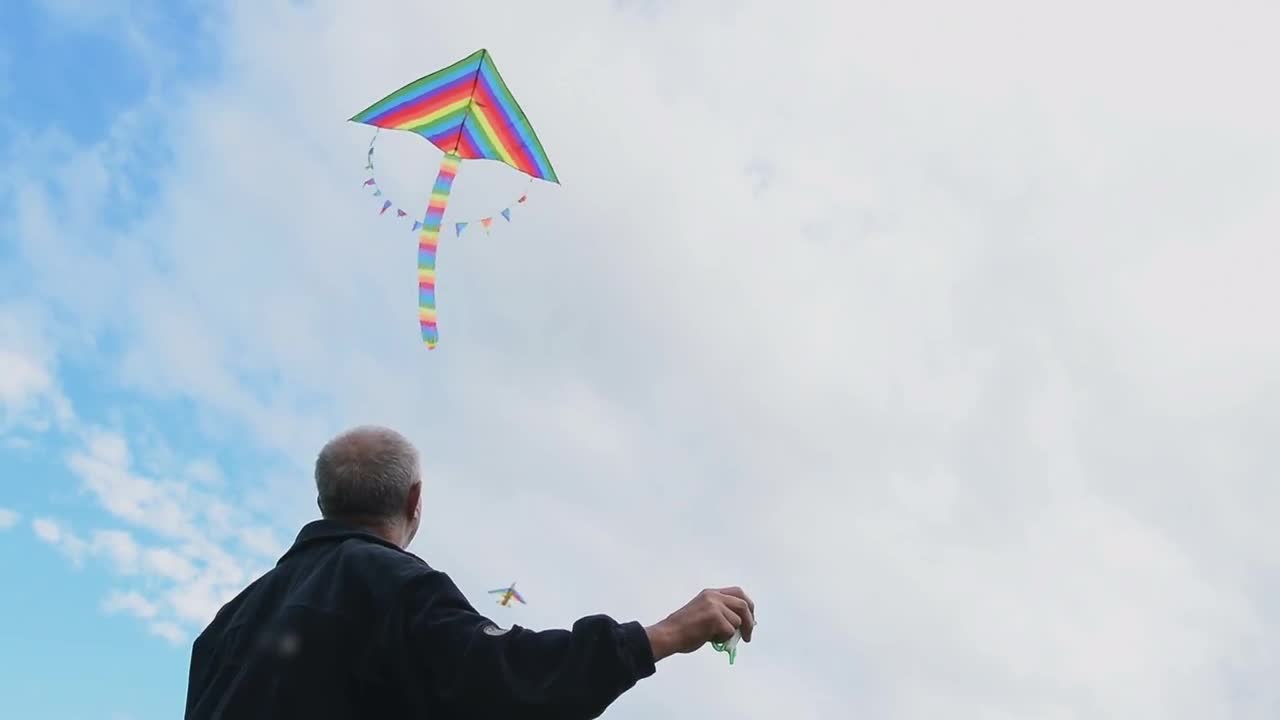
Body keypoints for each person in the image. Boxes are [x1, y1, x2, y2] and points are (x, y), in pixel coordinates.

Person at [184, 425, 755, 720]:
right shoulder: (395, 586)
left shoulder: (223, 627)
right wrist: (665, 635)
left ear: (322, 501)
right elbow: (507, 680)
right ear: (415, 501)